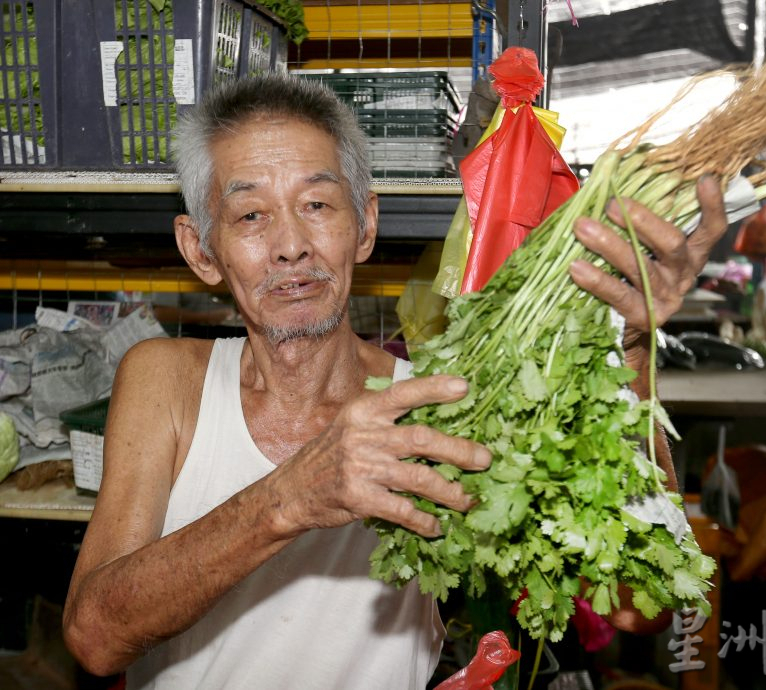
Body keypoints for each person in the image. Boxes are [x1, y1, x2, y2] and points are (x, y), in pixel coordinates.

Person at [62, 72, 727, 688]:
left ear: (366, 225)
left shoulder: (443, 406)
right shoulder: (167, 382)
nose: (291, 244)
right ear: (199, 249)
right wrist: (293, 496)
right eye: (250, 215)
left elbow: (646, 609)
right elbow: (93, 637)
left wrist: (632, 353)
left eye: (318, 203)